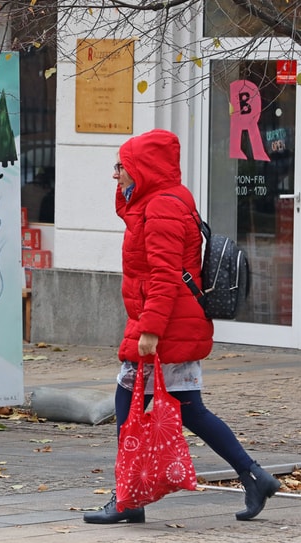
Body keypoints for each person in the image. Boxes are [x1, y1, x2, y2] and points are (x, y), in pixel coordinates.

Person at [83, 129, 281, 524]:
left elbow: (165, 274)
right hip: (174, 320)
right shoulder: (165, 200)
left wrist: (150, 331)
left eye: (122, 166)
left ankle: (127, 500)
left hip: (164, 325)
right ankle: (254, 476)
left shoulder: (161, 208)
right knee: (190, 409)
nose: (116, 174)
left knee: (128, 406)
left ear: (143, 167)